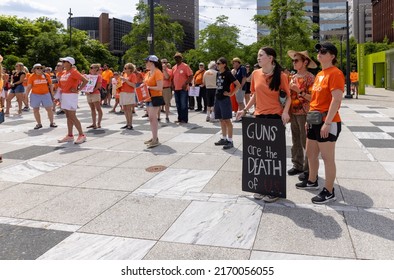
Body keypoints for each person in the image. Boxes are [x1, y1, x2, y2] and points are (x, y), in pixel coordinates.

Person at [236, 47, 291, 203]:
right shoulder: (255, 74)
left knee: (273, 156)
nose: (258, 58)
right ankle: (261, 187)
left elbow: (288, 97)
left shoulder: (281, 76)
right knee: (261, 155)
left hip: (274, 118)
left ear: (270, 58)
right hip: (259, 116)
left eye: (261, 55)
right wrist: (245, 110)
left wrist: (285, 112)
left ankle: (274, 189)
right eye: (258, 55)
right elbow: (254, 95)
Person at [296, 42, 344, 204]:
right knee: (310, 153)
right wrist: (309, 119)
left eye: (324, 51)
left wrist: (327, 123)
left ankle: (329, 191)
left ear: (332, 56)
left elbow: (336, 100)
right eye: (319, 51)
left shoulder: (335, 73)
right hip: (313, 119)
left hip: (327, 121)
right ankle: (312, 180)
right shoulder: (320, 74)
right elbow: (315, 100)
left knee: (327, 158)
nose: (319, 53)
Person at [286, 50, 316, 180]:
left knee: (306, 143)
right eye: (293, 60)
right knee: (295, 141)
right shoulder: (292, 77)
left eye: (296, 60)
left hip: (305, 113)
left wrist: (298, 91)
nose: (293, 62)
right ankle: (297, 165)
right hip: (293, 113)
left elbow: (313, 98)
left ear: (305, 62)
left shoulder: (310, 78)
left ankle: (309, 169)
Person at [57, 57, 89, 144]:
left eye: (64, 61)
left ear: (69, 63)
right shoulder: (64, 72)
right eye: (62, 61)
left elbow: (85, 80)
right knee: (68, 116)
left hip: (71, 96)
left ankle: (82, 135)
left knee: (72, 116)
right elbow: (61, 85)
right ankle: (70, 135)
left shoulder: (74, 72)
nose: (62, 63)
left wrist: (78, 89)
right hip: (65, 95)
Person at [214, 57, 241, 150]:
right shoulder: (218, 73)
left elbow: (238, 84)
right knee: (221, 120)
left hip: (225, 99)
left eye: (218, 63)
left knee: (227, 120)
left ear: (224, 64)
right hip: (217, 98)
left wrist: (231, 94)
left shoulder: (228, 73)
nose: (217, 65)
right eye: (216, 63)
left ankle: (230, 141)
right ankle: (224, 138)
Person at [25, 63, 57, 129]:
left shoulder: (46, 75)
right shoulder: (32, 76)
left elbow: (51, 85)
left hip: (46, 94)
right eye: (37, 68)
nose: (39, 69)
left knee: (49, 109)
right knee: (36, 109)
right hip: (35, 94)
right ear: (34, 70)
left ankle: (52, 122)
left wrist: (52, 93)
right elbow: (29, 87)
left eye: (40, 68)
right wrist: (26, 95)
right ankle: (39, 123)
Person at [143, 55, 164, 148]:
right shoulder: (147, 73)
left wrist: (149, 87)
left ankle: (155, 139)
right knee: (151, 118)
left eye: (146, 61)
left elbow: (160, 87)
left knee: (152, 118)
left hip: (155, 97)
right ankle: (154, 137)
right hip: (148, 97)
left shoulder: (157, 72)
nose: (145, 63)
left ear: (151, 62)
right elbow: (145, 84)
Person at [172, 52, 193, 124]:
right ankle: (179, 118)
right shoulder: (174, 67)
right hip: (176, 89)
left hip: (183, 89)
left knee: (184, 104)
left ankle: (184, 119)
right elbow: (173, 77)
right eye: (175, 58)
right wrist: (173, 85)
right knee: (178, 104)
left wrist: (186, 83)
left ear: (181, 58)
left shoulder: (185, 66)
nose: (177, 59)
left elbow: (190, 76)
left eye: (178, 57)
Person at [119, 63, 137, 130]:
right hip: (123, 92)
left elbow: (134, 85)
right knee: (125, 109)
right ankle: (127, 123)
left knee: (129, 109)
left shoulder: (133, 75)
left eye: (125, 68)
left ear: (130, 69)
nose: (124, 69)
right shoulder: (125, 74)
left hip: (129, 93)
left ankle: (130, 124)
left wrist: (125, 80)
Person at [86, 63, 103, 129]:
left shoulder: (98, 76)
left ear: (96, 69)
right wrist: (86, 91)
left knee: (98, 108)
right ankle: (93, 123)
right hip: (89, 94)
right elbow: (85, 84)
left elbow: (99, 86)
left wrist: (91, 90)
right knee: (92, 108)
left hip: (95, 93)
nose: (90, 69)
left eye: (92, 67)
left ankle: (98, 123)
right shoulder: (88, 76)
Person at [161, 58, 173, 123]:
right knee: (157, 103)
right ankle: (158, 117)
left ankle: (167, 116)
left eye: (165, 62)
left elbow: (167, 77)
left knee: (167, 103)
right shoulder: (158, 71)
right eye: (162, 62)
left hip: (166, 88)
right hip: (159, 89)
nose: (163, 63)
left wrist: (164, 70)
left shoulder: (169, 70)